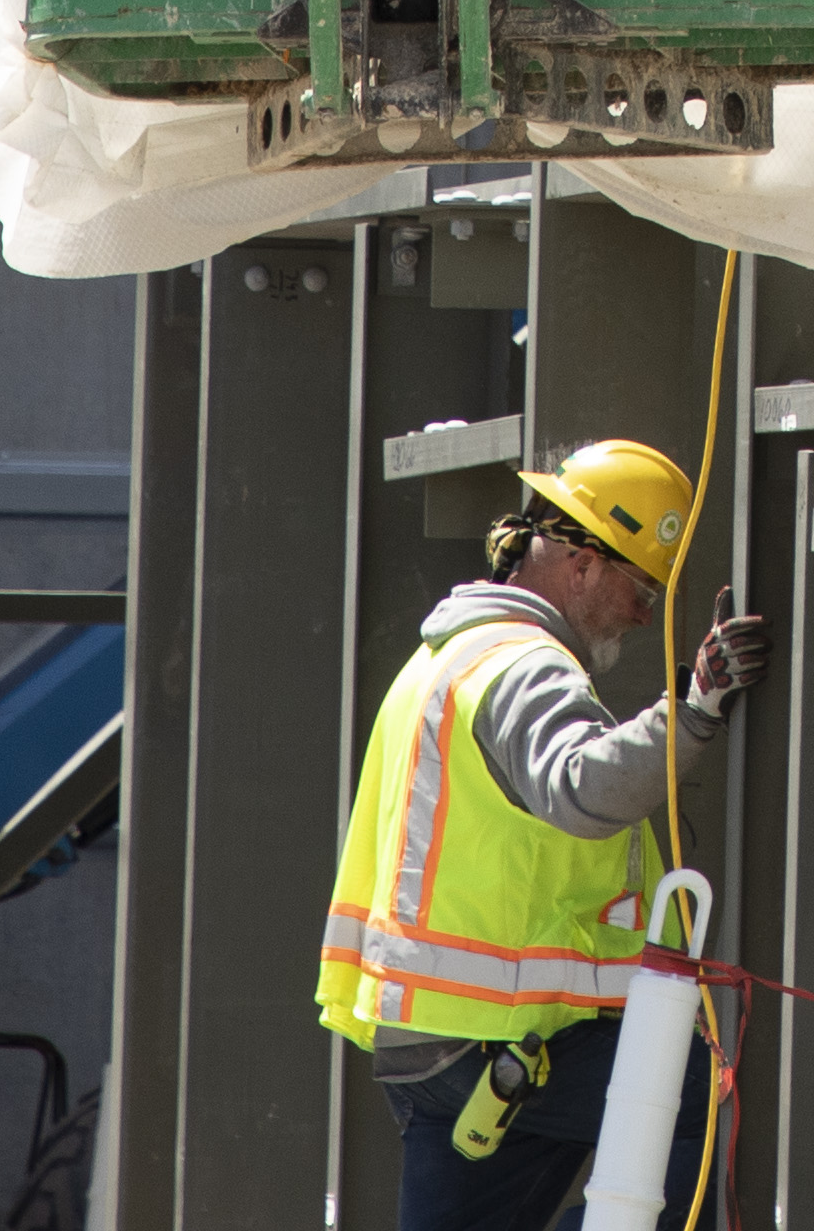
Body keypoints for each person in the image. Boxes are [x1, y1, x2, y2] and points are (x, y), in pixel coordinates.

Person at [314, 436, 771, 1229]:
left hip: (435, 1040)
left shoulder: (444, 658)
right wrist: (694, 708)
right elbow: (580, 786)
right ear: (581, 562)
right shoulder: (524, 662)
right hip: (505, 1036)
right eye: (639, 585)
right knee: (689, 1098)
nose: (643, 611)